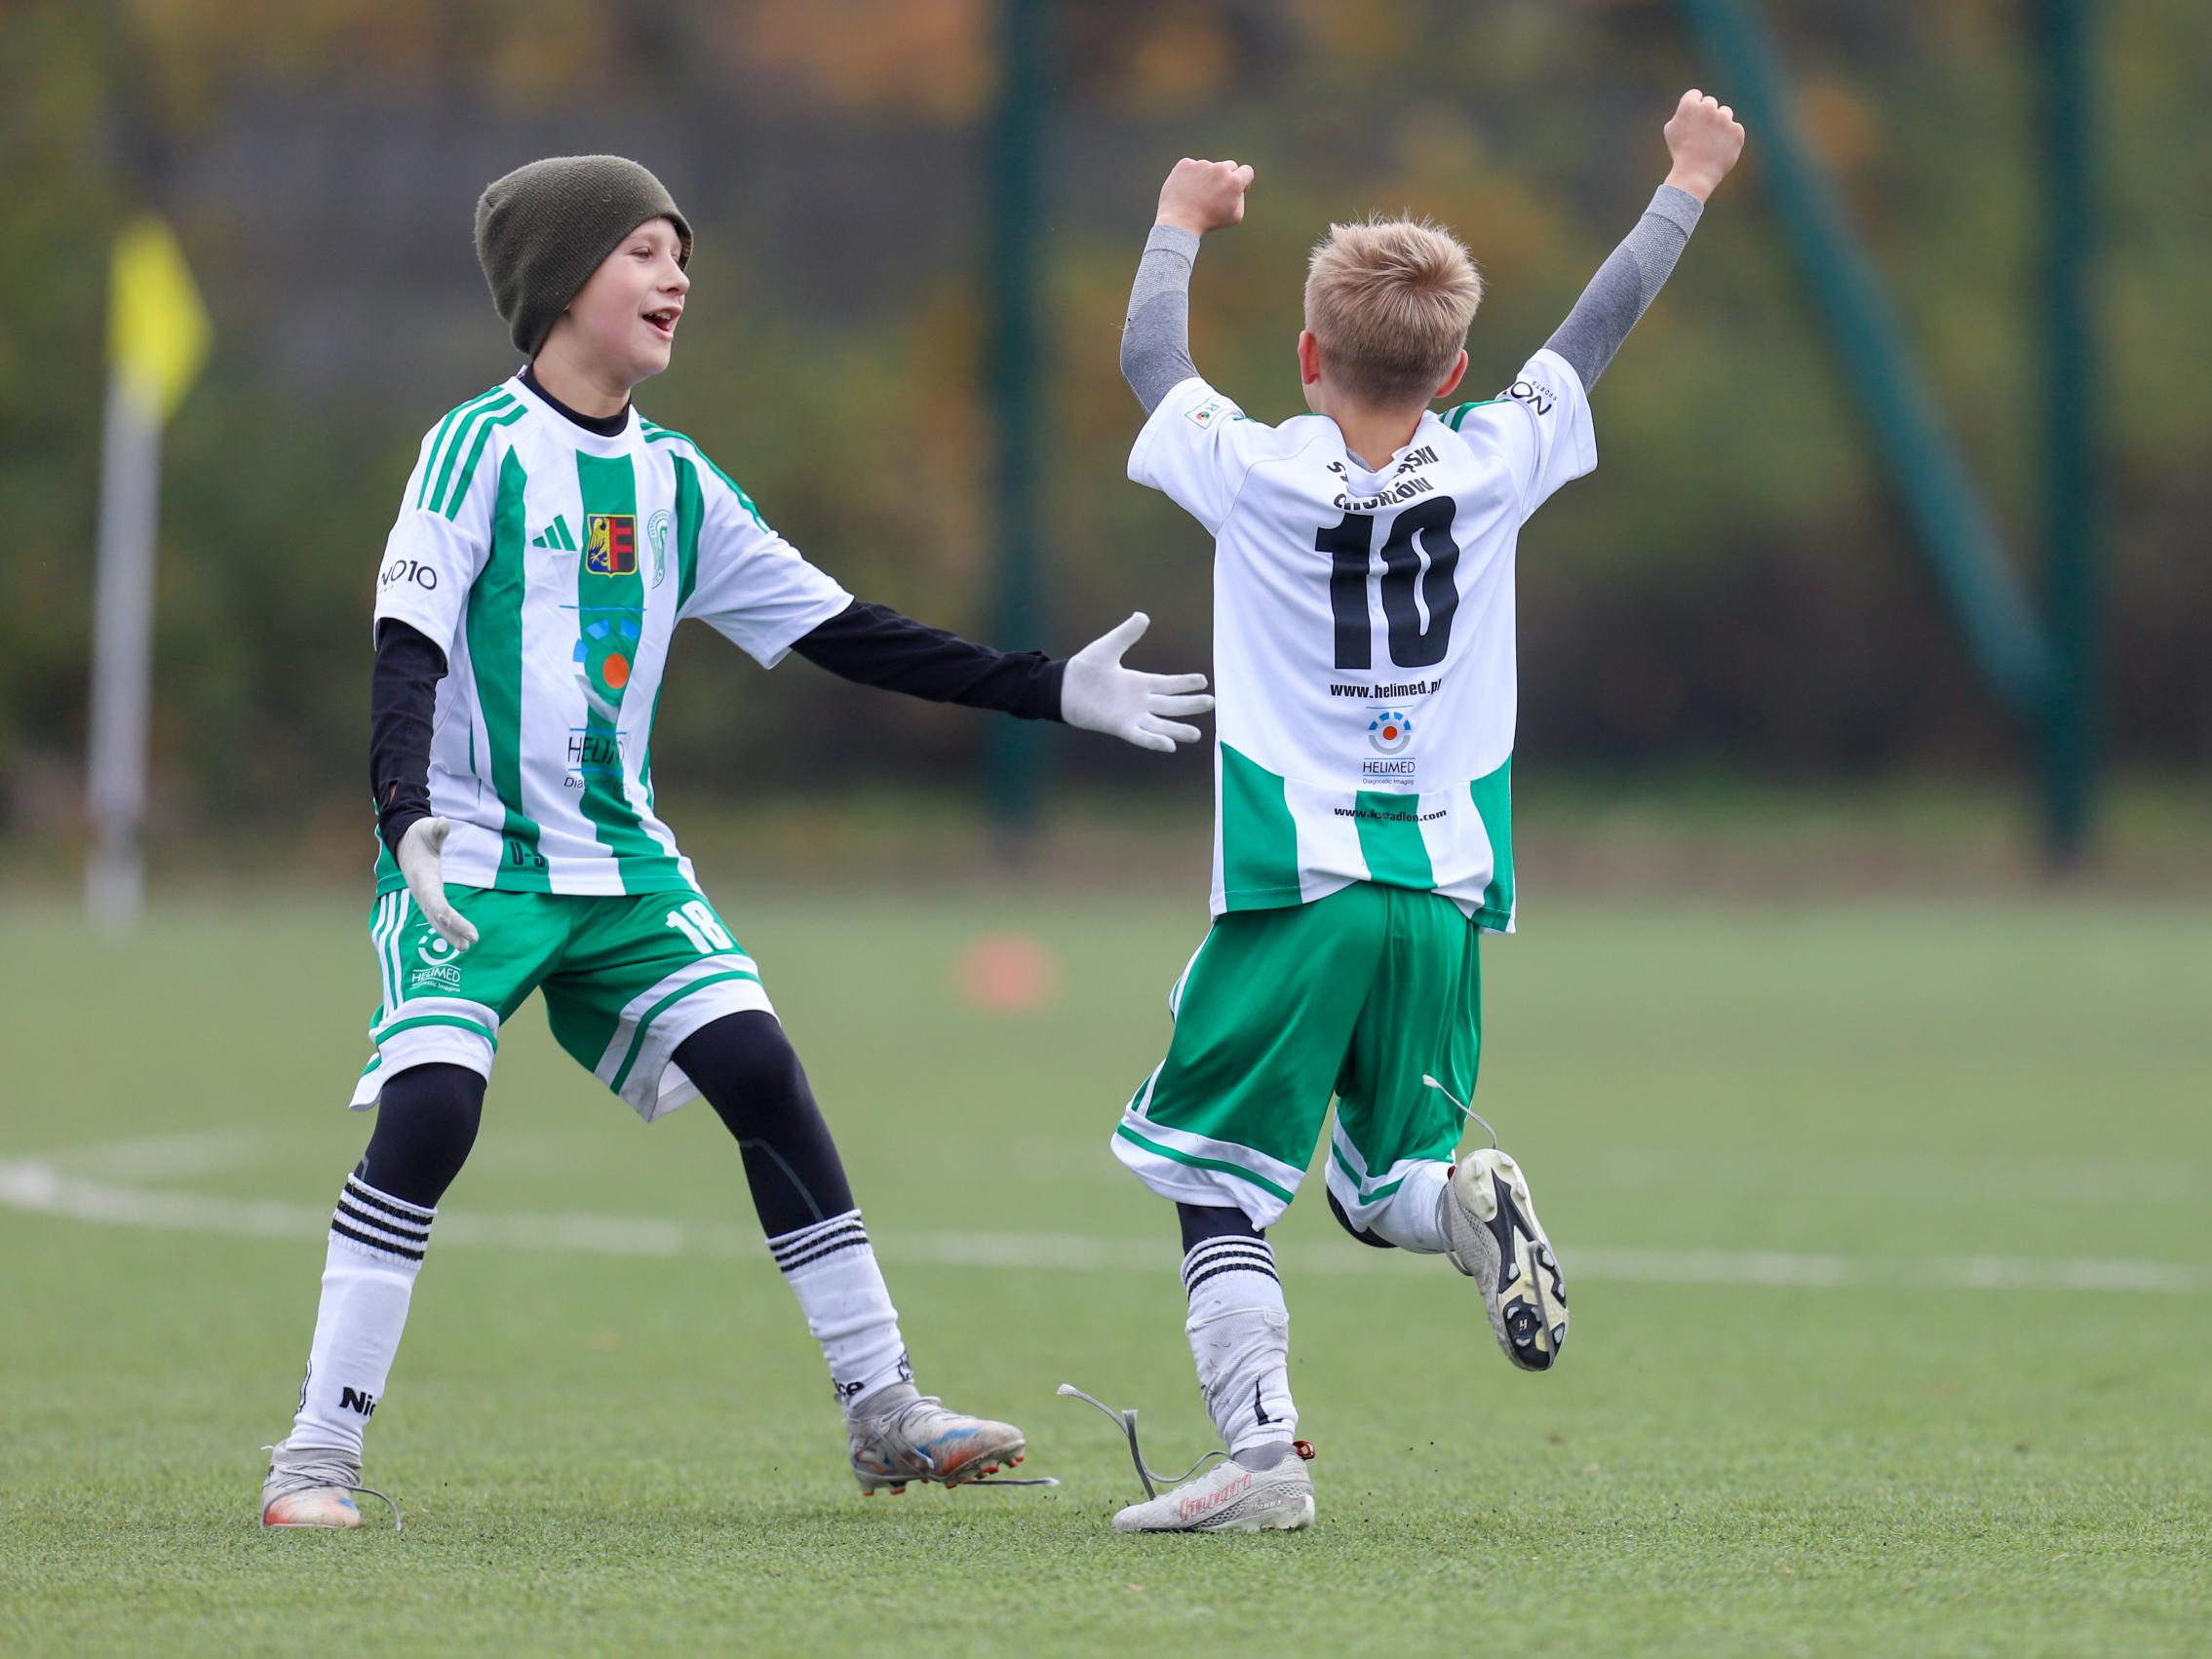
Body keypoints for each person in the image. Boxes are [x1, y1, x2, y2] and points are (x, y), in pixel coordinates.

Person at [259, 154, 1214, 1529]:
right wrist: (404, 815)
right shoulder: (475, 448)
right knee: (431, 1114)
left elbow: (846, 630)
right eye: (645, 252)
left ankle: (884, 1408)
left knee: (759, 1067)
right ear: (561, 283)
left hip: (626, 867)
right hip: (469, 863)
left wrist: (1049, 687)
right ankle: (315, 1454)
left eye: (682, 256)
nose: (676, 278)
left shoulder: (675, 480)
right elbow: (405, 642)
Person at [1102, 92, 1745, 1532]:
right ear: (1455, 369)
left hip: (1297, 888)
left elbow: (1149, 356)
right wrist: (1686, 181)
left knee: (1213, 1182)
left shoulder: (1257, 468)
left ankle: (1263, 1460)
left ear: (1306, 356)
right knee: (1379, 1181)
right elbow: (1594, 328)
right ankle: (1466, 1206)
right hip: (1445, 891)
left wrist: (1179, 217)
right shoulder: (1492, 458)